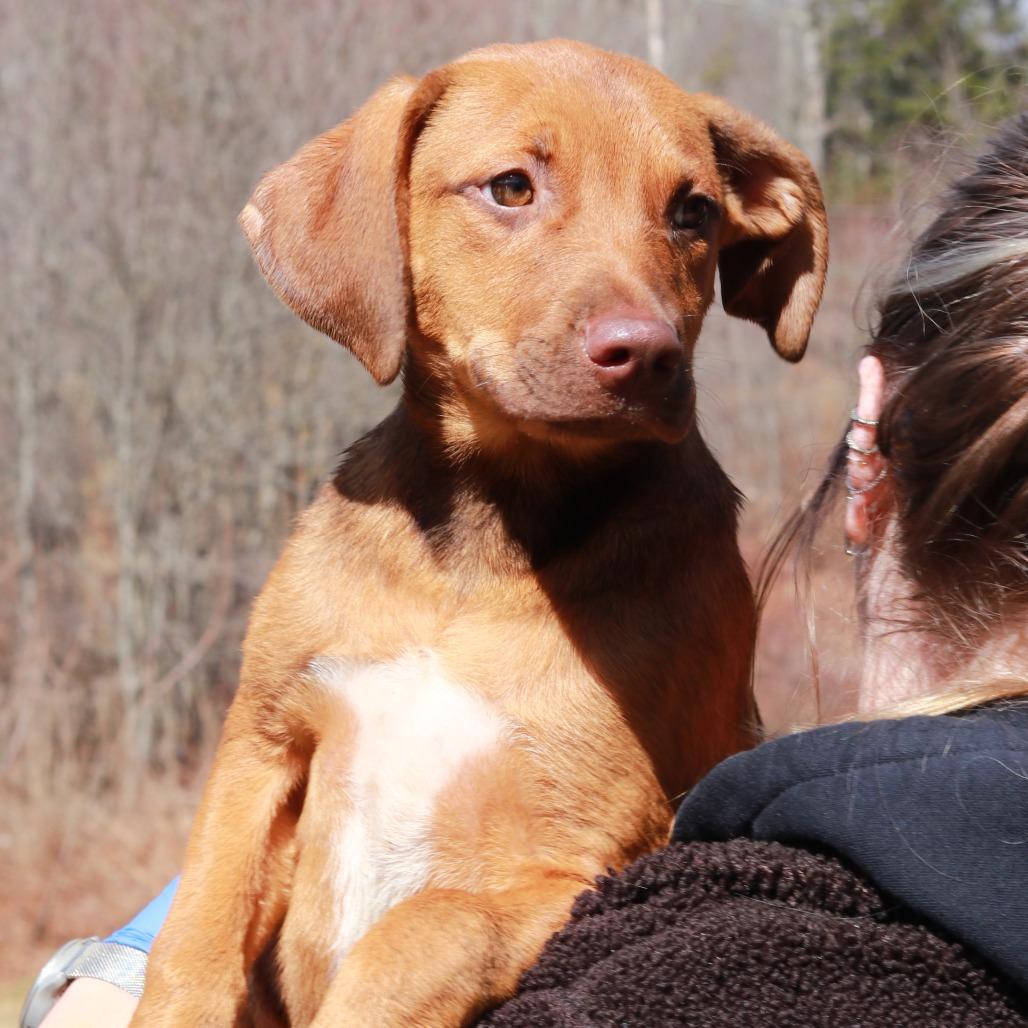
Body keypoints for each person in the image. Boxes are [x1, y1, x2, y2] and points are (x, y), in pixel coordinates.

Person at [24, 114, 1028, 1027]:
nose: (633, 317)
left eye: (685, 217)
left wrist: (432, 948)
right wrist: (150, 973)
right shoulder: (334, 554)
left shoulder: (674, 615)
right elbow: (262, 757)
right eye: (512, 190)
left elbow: (617, 883)